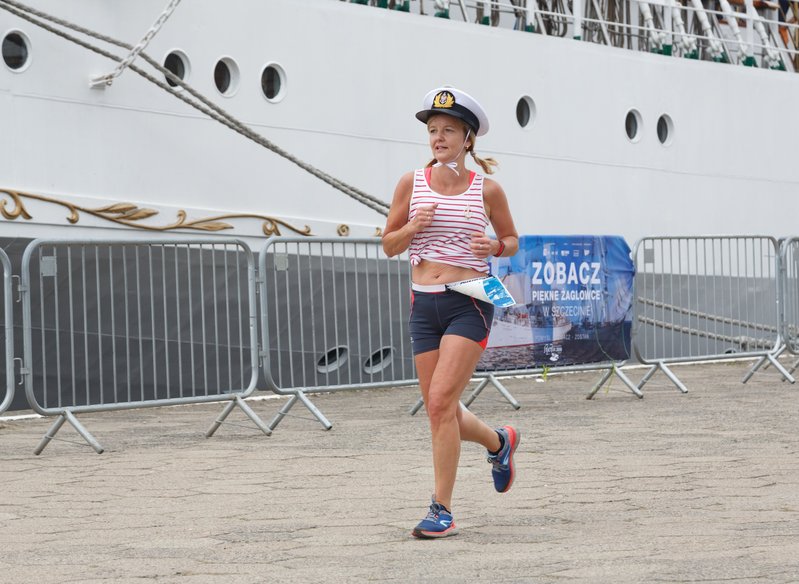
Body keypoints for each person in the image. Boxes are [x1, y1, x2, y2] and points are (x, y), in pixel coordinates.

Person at [382, 87, 521, 539]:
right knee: (439, 409)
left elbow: (511, 240)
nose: (438, 138)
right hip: (423, 302)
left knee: (441, 402)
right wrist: (412, 226)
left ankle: (441, 509)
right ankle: (499, 442)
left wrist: (494, 246)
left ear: (467, 138)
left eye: (447, 131)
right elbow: (388, 245)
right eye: (432, 131)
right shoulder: (411, 183)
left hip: (470, 299)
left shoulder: (487, 189)